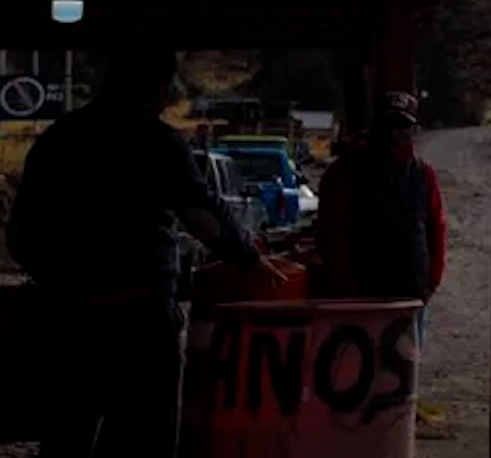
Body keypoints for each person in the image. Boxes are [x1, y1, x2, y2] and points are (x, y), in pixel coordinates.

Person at [5, 46, 285, 457]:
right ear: (158, 86)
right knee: (142, 440)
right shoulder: (156, 140)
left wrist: (57, 282)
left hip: (69, 323)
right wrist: (250, 258)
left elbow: (20, 233)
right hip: (139, 322)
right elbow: (200, 215)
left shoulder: (58, 138)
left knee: (66, 438)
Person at [315, 91, 446, 352]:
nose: (394, 133)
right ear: (375, 126)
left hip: (411, 295)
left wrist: (431, 281)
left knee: (404, 367)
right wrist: (346, 285)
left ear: (413, 130)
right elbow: (332, 232)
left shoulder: (423, 173)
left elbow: (436, 228)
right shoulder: (344, 172)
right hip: (360, 298)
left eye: (403, 126)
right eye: (388, 124)